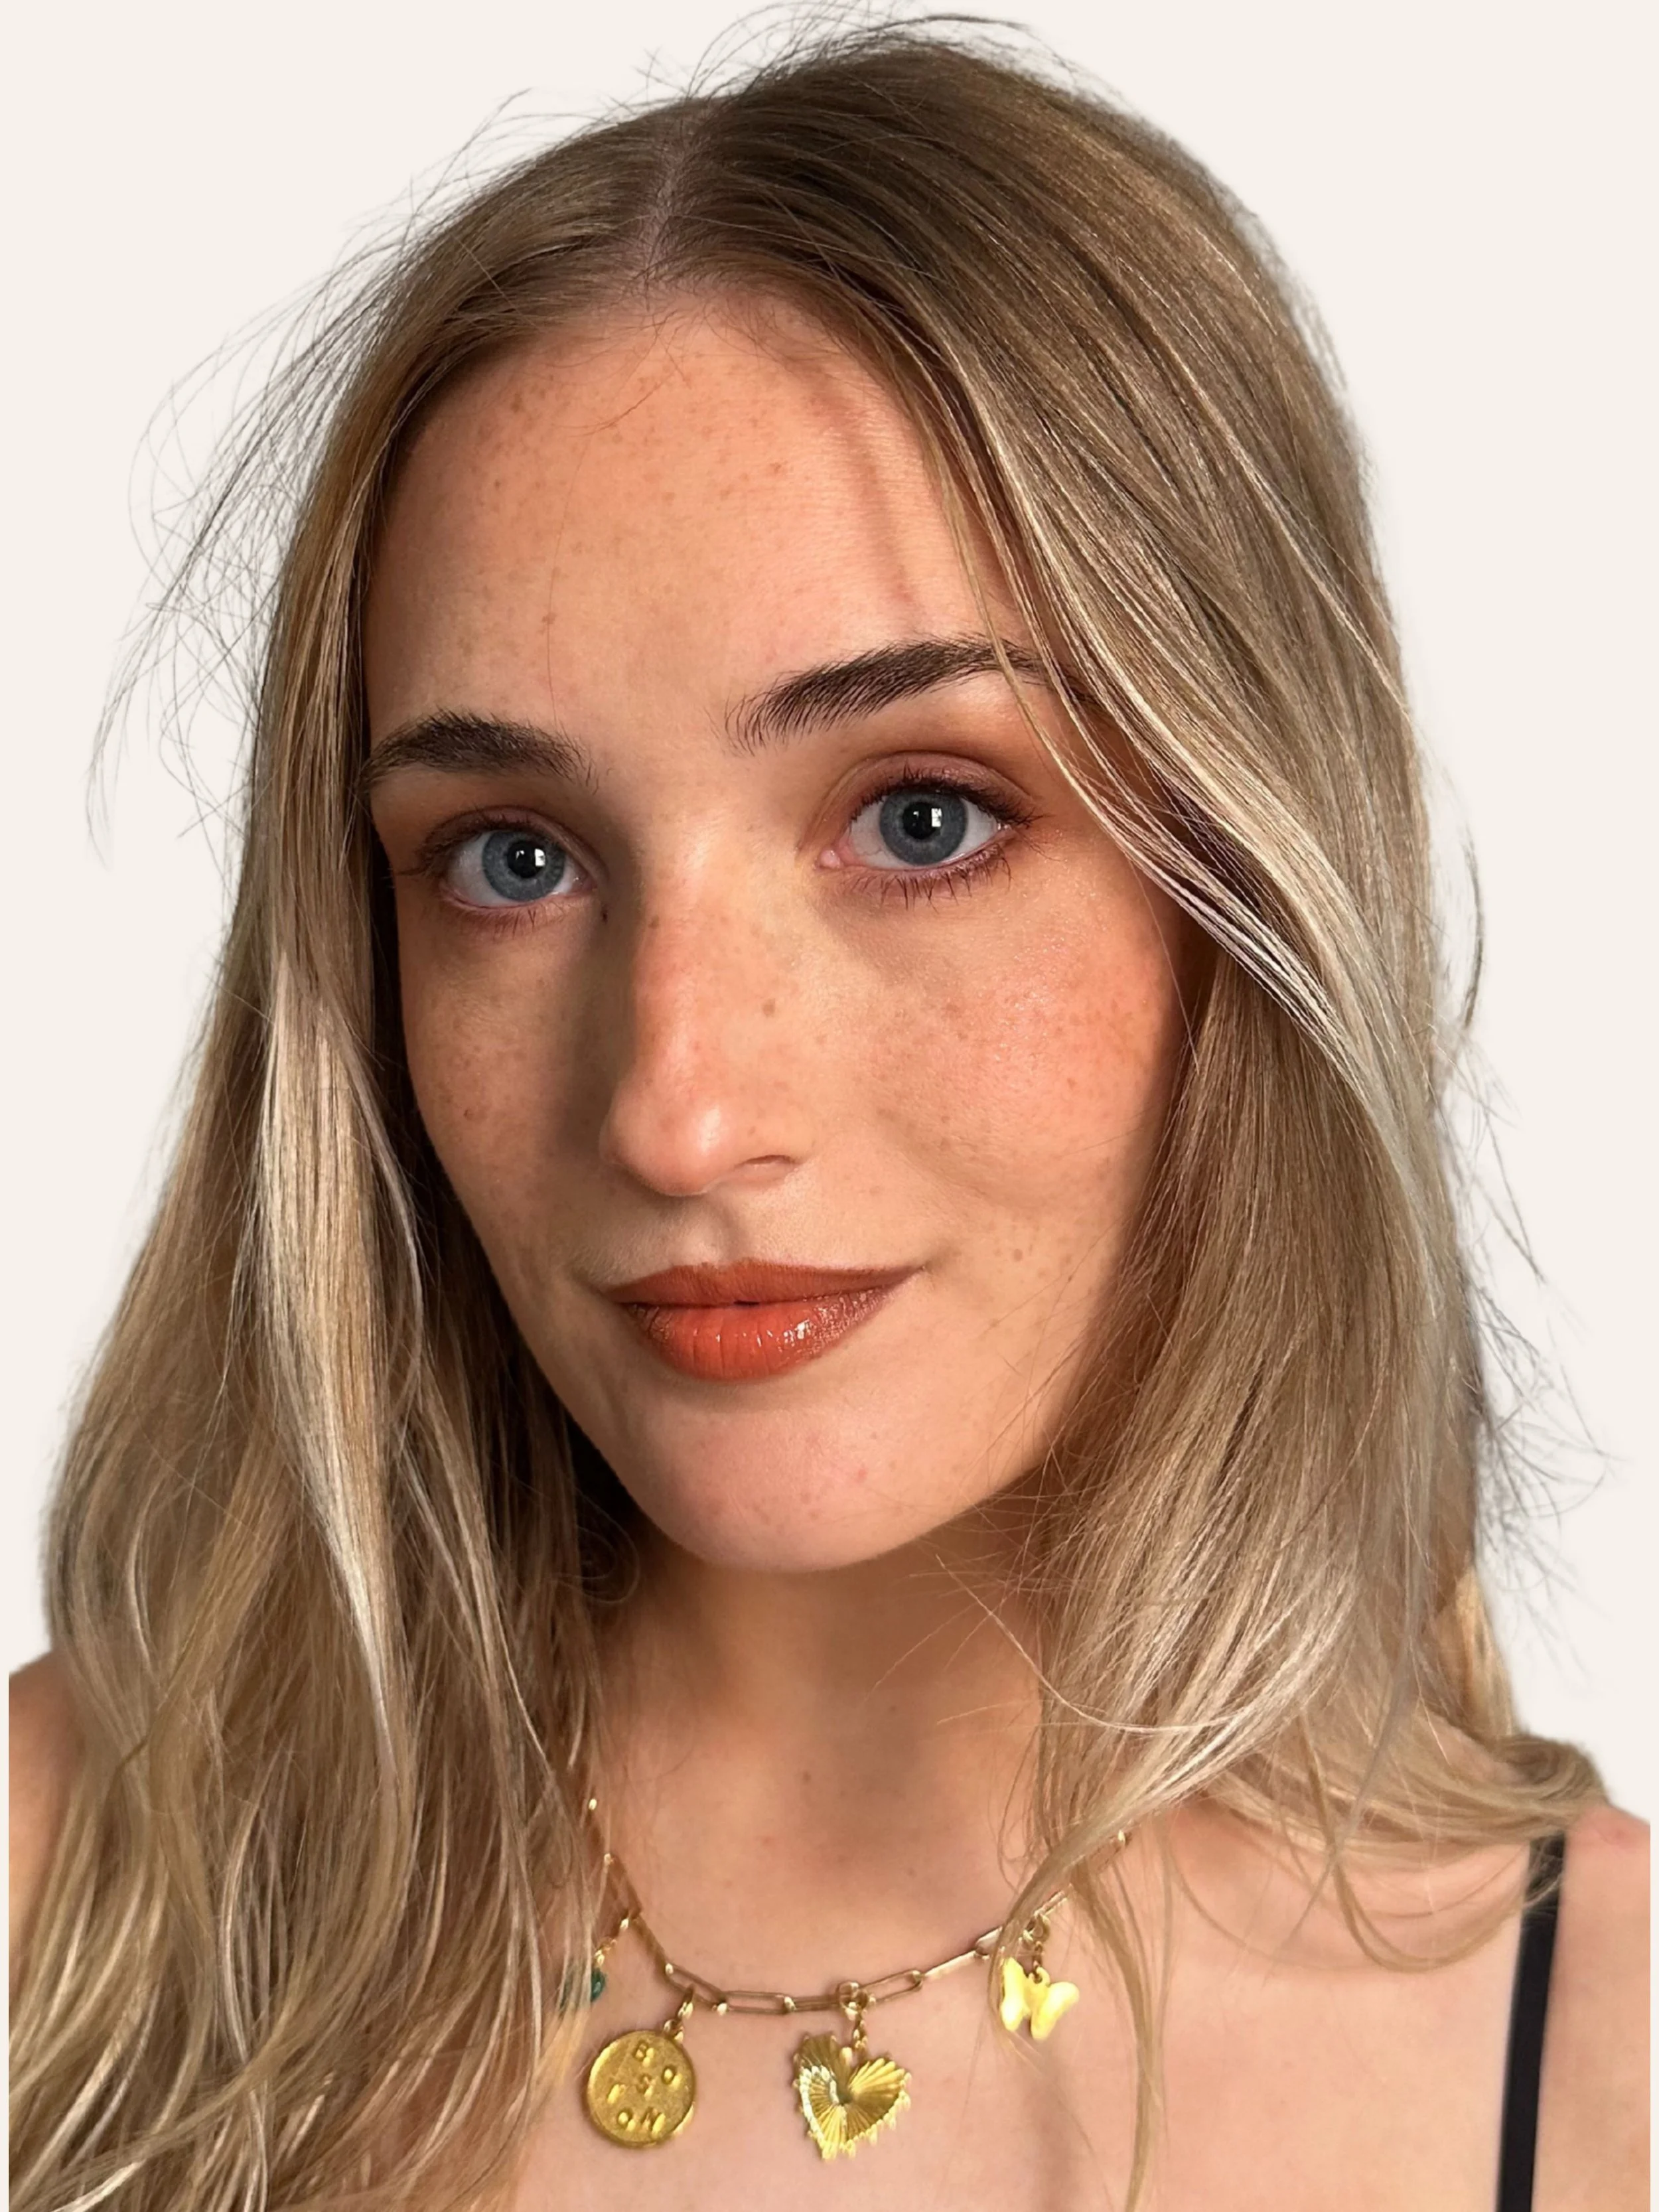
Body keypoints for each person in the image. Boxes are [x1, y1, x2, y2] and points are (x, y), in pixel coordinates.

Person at [7, 24, 1646, 2211]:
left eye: (921, 814)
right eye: (512, 856)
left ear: (1258, 895)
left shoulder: (1610, 2061)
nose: (677, 1111)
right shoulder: (50, 1924)